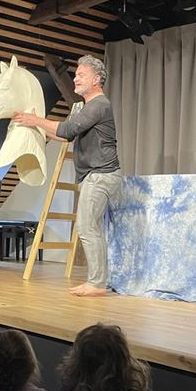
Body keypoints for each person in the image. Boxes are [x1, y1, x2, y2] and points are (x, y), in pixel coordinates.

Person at [12, 55, 121, 297]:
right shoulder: (88, 107)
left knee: (87, 227)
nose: (76, 79)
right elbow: (66, 135)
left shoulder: (99, 105)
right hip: (95, 175)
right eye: (76, 75)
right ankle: (97, 282)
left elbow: (68, 129)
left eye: (81, 75)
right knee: (90, 227)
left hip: (101, 174)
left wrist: (35, 120)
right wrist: (35, 125)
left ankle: (97, 283)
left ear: (96, 79)